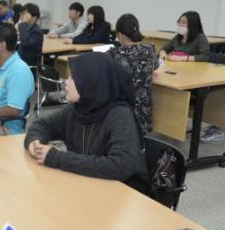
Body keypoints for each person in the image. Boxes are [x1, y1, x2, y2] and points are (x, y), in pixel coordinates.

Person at [24, 53, 144, 182]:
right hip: (86, 181)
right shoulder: (78, 108)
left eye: (73, 77)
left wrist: (58, 158)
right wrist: (34, 141)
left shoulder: (120, 115)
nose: (66, 82)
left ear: (91, 82)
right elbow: (42, 125)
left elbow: (121, 166)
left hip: (121, 189)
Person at [107, 13, 161, 138]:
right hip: (144, 114)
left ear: (120, 34)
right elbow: (155, 66)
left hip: (122, 113)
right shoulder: (150, 49)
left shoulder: (113, 54)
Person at [16, 2, 44, 68]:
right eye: (22, 14)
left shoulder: (37, 31)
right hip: (21, 62)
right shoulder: (27, 29)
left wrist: (24, 23)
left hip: (30, 66)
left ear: (34, 17)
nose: (22, 17)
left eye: (24, 15)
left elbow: (26, 42)